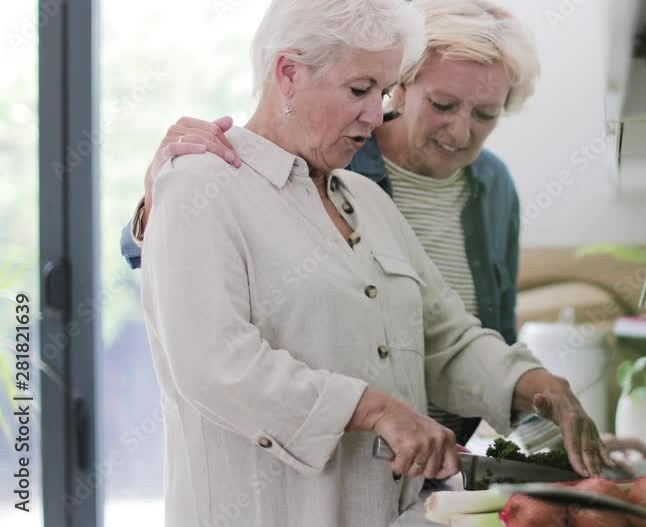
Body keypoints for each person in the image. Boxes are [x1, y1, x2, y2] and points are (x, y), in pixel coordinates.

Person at [138, 1, 611, 525]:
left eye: (383, 92)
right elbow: (214, 364)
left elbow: (444, 341)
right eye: (359, 89)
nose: (375, 113)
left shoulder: (366, 199)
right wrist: (375, 408)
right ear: (288, 73)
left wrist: (536, 384)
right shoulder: (199, 183)